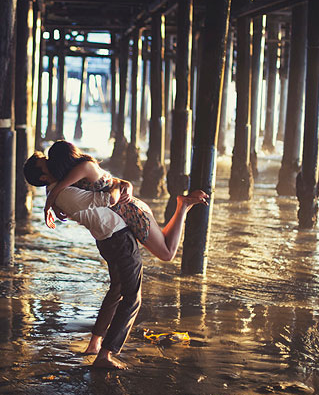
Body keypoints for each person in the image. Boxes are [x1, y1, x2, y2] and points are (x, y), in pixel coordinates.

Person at [23, 152, 206, 370]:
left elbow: (102, 183)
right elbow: (108, 198)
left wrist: (122, 183)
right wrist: (119, 187)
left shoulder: (61, 188)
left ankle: (95, 344)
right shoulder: (64, 193)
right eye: (46, 165)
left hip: (111, 237)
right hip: (117, 239)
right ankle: (106, 355)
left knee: (118, 290)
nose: (51, 163)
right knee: (132, 297)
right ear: (43, 177)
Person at [44, 140, 208, 263]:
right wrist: (54, 205)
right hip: (129, 210)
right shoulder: (82, 170)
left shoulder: (84, 167)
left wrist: (49, 207)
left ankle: (183, 205)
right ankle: (183, 207)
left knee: (167, 253)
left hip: (132, 212)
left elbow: (58, 188)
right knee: (165, 243)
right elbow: (113, 181)